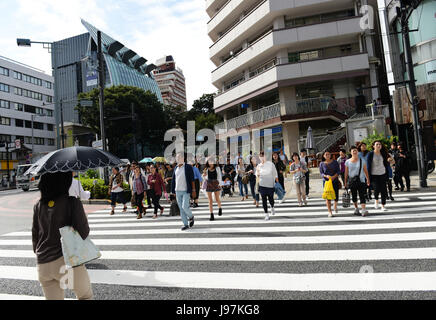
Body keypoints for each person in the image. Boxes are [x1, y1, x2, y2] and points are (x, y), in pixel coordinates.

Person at [32, 172, 93, 300]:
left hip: (43, 264)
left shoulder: (38, 206)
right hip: (66, 262)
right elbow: (84, 233)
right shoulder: (72, 202)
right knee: (85, 296)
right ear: (64, 182)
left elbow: (35, 236)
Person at [171, 153, 196, 231]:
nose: (178, 159)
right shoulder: (175, 168)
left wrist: (194, 190)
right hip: (177, 191)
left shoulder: (188, 167)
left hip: (186, 190)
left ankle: (191, 216)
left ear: (183, 158)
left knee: (185, 207)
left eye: (180, 157)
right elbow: (173, 180)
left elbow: (192, 179)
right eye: (177, 157)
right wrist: (172, 191)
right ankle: (185, 224)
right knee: (181, 209)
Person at [345, 146, 370, 216]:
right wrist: (345, 182)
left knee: (362, 195)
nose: (355, 152)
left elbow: (365, 171)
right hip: (352, 181)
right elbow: (346, 173)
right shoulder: (347, 162)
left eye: (356, 150)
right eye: (353, 151)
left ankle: (363, 209)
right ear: (350, 152)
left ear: (357, 152)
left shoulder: (362, 160)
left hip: (361, 180)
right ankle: (356, 208)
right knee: (354, 196)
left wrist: (368, 179)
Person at [367, 141, 391, 211]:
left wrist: (390, 160)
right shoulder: (370, 154)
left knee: (384, 190)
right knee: (376, 189)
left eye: (380, 144)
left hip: (382, 174)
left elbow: (389, 162)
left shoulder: (384, 153)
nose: (378, 145)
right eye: (377, 144)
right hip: (374, 175)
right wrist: (368, 177)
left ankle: (383, 205)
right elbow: (368, 166)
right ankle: (376, 200)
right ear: (373, 146)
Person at [256, 151, 279, 221]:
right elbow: (257, 175)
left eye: (263, 156)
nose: (262, 158)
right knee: (263, 200)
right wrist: (257, 185)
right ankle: (266, 214)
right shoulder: (258, 166)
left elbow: (275, 174)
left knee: (271, 199)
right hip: (262, 185)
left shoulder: (270, 164)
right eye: (260, 156)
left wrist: (277, 183)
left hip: (270, 185)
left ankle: (272, 207)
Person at [319, 151, 341, 217]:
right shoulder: (321, 163)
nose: (327, 155)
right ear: (323, 156)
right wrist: (326, 176)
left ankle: (335, 206)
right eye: (326, 154)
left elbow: (338, 171)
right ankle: (330, 211)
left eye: (329, 154)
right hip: (326, 182)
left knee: (336, 196)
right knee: (328, 196)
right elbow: (321, 173)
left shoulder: (335, 162)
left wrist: (334, 177)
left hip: (334, 181)